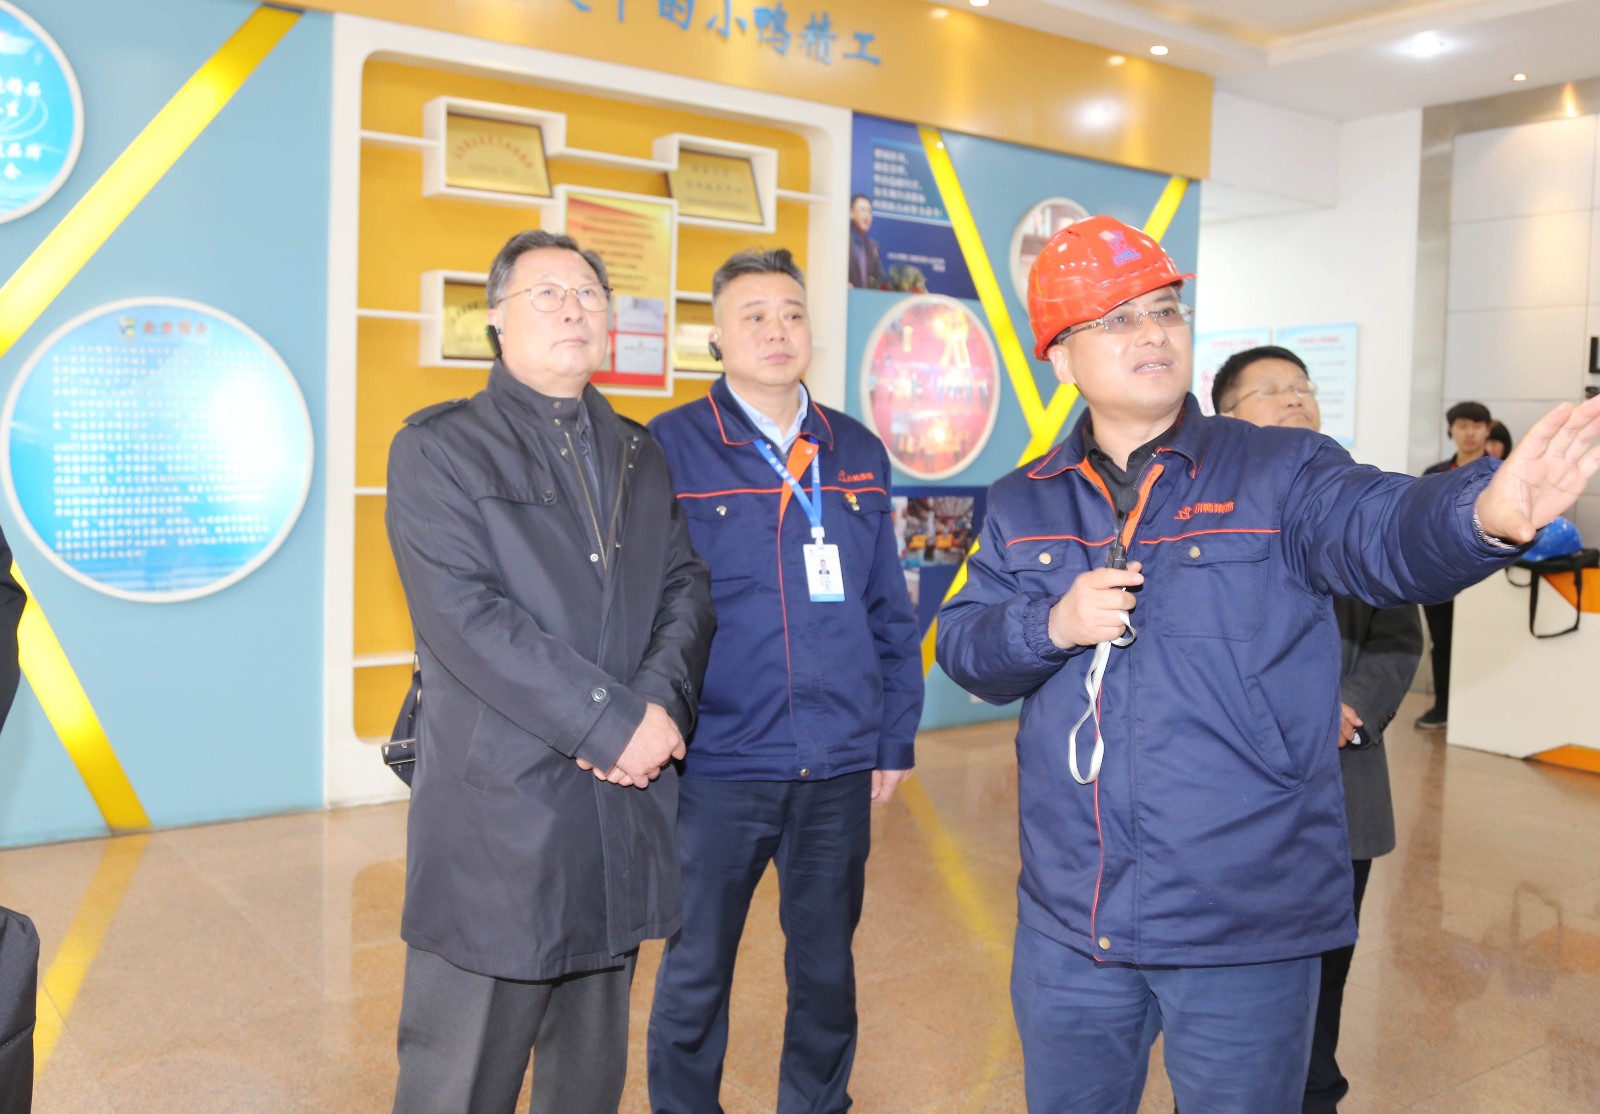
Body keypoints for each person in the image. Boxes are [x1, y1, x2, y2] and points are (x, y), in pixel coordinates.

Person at [935, 215, 1600, 1113]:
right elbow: (966, 647)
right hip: (1073, 920)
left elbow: (1381, 530)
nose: (1152, 333)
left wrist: (1480, 513)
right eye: (1117, 318)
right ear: (1060, 356)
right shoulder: (1025, 501)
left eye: (1165, 310)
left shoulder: (1281, 470)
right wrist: (1051, 622)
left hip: (1245, 919)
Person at [385, 229, 716, 1114]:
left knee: (588, 1077)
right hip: (503, 810)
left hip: (616, 810)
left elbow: (684, 586)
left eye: (589, 294)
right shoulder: (439, 449)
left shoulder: (640, 452)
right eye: (547, 293)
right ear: (495, 320)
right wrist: (612, 724)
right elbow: (467, 618)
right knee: (459, 1079)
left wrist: (656, 709)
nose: (574, 308)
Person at [646, 248, 924, 1114]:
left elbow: (888, 608)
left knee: (827, 969)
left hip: (837, 761)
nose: (777, 330)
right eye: (755, 315)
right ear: (716, 337)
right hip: (718, 761)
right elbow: (644, 611)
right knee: (697, 968)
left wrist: (894, 737)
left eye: (793, 313)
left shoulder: (856, 448)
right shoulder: (666, 447)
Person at [1214, 345, 1423, 1114]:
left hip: (1342, 787)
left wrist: (1349, 706)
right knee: (1227, 981)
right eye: (1272, 389)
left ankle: (1313, 1094)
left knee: (1326, 970)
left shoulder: (1356, 502)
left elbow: (1398, 636)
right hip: (1231, 795)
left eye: (1303, 386)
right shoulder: (1203, 513)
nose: (1296, 398)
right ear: (1226, 418)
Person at [1415, 400, 1494, 730]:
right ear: (1451, 430)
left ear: (1488, 430)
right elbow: (1419, 520)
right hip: (1441, 571)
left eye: (1476, 426)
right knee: (1443, 642)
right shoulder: (1434, 474)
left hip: (1489, 576)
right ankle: (1443, 707)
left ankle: (1482, 711)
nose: (1469, 433)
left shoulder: (1501, 472)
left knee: (1486, 641)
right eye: (1463, 426)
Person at [847, 193, 884, 290]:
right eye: (862, 210)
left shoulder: (873, 246)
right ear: (851, 213)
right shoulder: (842, 242)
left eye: (869, 211)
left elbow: (878, 279)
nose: (867, 216)